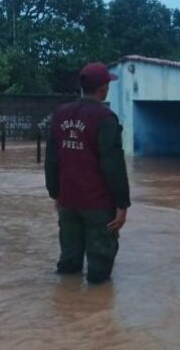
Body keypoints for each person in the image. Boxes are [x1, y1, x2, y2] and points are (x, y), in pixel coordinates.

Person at [45, 62, 130, 285]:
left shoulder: (60, 114)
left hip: (68, 202)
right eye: (107, 85)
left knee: (69, 262)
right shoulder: (105, 118)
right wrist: (122, 204)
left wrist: (56, 194)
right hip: (98, 205)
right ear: (102, 88)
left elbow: (52, 159)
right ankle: (97, 315)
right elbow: (113, 165)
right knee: (99, 271)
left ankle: (66, 309)